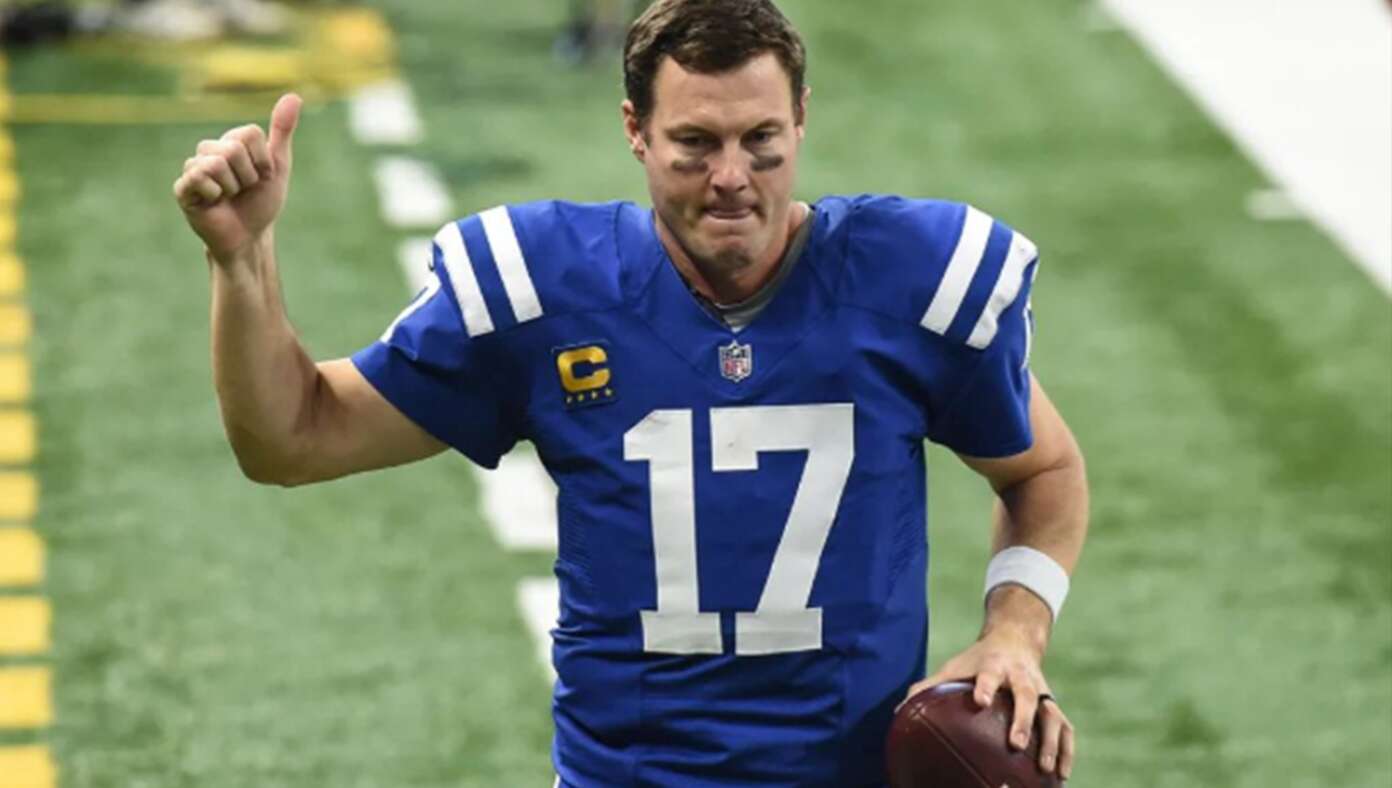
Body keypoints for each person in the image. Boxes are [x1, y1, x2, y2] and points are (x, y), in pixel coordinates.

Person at [172, 0, 1089, 784]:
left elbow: (1044, 471)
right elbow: (292, 437)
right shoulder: (546, 290)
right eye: (695, 143)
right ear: (634, 130)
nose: (731, 177)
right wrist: (241, 262)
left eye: (761, 141)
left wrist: (1014, 633)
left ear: (802, 119)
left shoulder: (908, 282)